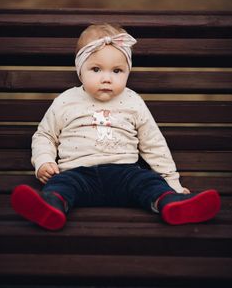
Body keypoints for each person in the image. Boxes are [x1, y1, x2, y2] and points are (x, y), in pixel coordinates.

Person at [11, 24, 221, 230]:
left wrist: (172, 184)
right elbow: (45, 135)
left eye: (117, 71)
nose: (107, 78)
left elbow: (153, 144)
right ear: (80, 70)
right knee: (60, 185)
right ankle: (50, 207)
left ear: (128, 72)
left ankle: (171, 203)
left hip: (126, 173)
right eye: (96, 69)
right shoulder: (66, 101)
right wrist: (44, 161)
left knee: (148, 182)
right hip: (78, 173)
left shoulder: (133, 101)